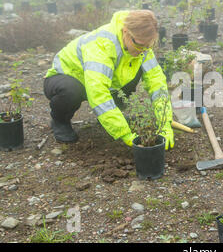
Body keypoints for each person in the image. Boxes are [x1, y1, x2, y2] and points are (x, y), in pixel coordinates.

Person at [43, 10, 174, 150]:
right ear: (125, 32)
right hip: (66, 79)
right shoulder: (101, 46)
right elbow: (98, 93)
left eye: (148, 46)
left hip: (100, 82)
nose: (143, 50)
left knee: (137, 70)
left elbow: (157, 83)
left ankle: (110, 116)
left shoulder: (142, 46)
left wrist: (165, 123)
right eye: (140, 45)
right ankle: (60, 121)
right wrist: (124, 133)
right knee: (71, 91)